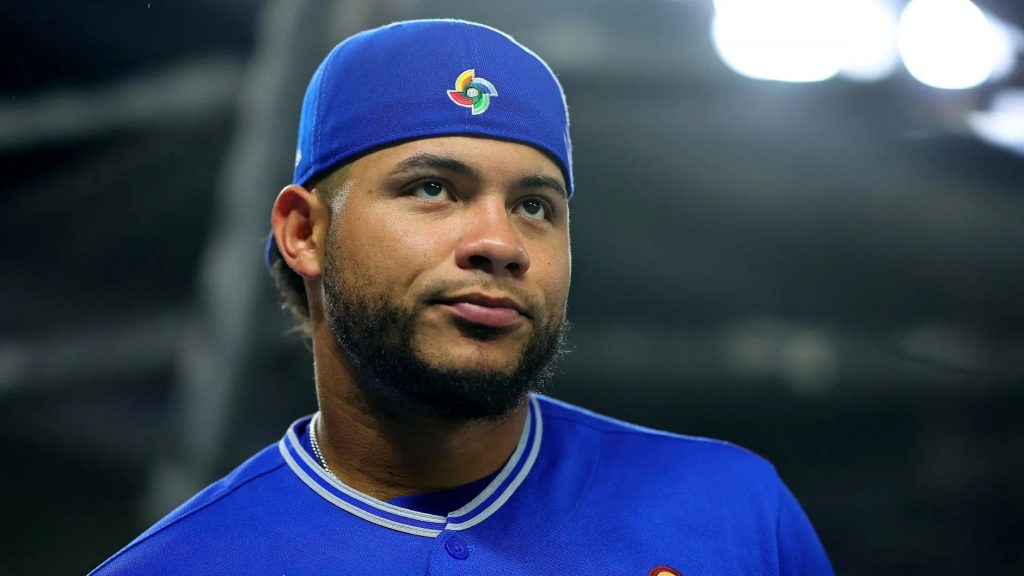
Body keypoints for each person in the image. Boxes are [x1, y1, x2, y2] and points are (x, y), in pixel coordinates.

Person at [91, 19, 833, 575]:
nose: (500, 243)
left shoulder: (733, 511)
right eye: (432, 189)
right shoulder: (182, 565)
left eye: (535, 206)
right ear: (304, 233)